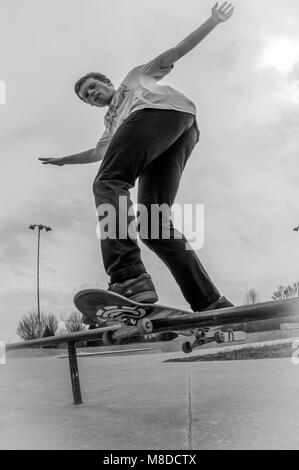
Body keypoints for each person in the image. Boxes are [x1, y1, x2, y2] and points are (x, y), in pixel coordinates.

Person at [40, 2, 234, 314]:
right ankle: (210, 302)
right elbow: (97, 152)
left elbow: (177, 50)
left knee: (108, 182)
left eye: (93, 88)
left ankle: (127, 276)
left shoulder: (134, 78)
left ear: (106, 82)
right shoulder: (111, 125)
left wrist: (212, 21)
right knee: (154, 225)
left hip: (158, 113)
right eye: (87, 97)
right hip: (181, 132)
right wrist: (63, 160)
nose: (92, 96)